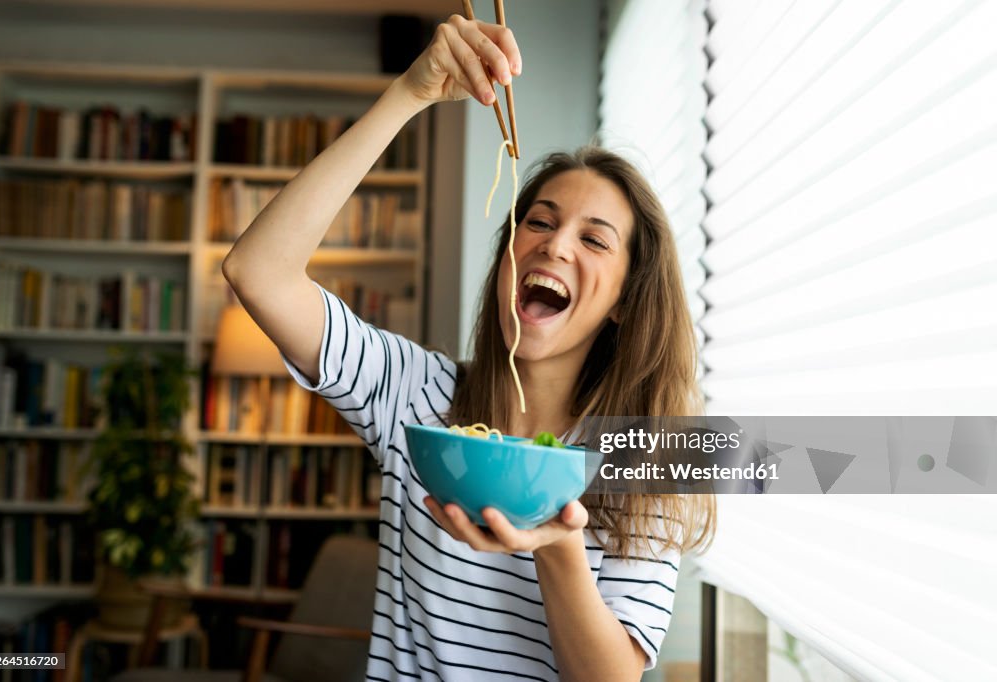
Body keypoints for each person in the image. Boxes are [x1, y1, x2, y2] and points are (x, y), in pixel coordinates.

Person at [222, 13, 715, 682]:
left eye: (594, 239)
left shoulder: (647, 458)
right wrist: (410, 94)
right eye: (538, 221)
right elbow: (258, 272)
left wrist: (559, 544)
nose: (554, 243)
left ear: (626, 302)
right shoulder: (415, 394)